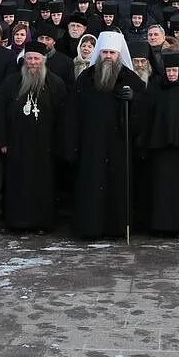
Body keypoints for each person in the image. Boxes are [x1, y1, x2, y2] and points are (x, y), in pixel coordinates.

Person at [69, 31, 147, 239]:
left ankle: (116, 228)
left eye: (112, 52)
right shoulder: (86, 78)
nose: (108, 56)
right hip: (91, 143)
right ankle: (90, 228)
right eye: (104, 52)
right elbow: (74, 111)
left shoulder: (131, 79)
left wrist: (134, 99)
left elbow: (144, 113)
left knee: (117, 187)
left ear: (119, 54)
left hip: (118, 145)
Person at [0, 40, 69, 232]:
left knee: (42, 184)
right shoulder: (11, 82)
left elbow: (63, 116)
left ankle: (41, 223)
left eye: (36, 58)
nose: (33, 62)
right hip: (17, 143)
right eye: (29, 58)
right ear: (24, 60)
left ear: (44, 60)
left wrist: (60, 143)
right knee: (17, 183)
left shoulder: (56, 83)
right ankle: (16, 223)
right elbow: (0, 112)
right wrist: (2, 140)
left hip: (45, 144)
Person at [140, 51, 179, 236]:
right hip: (161, 152)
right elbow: (150, 119)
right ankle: (161, 226)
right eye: (168, 70)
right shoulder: (156, 92)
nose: (172, 74)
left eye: (175, 70)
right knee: (161, 192)